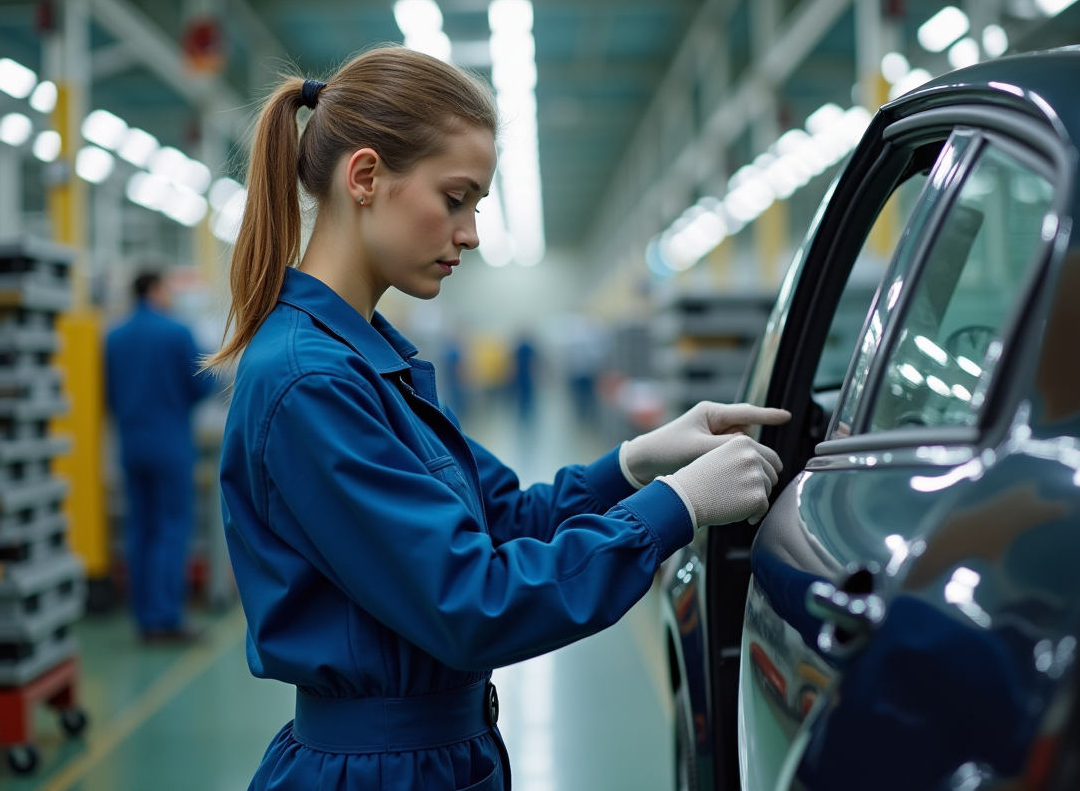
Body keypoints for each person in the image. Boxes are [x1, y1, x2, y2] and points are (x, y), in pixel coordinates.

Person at [211, 47, 791, 791]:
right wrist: (674, 509)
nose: (472, 233)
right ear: (364, 178)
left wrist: (635, 464)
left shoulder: (373, 362)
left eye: (476, 206)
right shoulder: (310, 382)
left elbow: (504, 518)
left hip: (438, 757)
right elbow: (473, 601)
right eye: (455, 198)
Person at [105, 270, 214, 641]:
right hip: (170, 444)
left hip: (131, 444)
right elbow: (202, 383)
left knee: (140, 529)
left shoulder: (113, 337)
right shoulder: (176, 331)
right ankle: (166, 619)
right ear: (155, 289)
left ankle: (143, 616)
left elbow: (107, 394)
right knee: (171, 529)